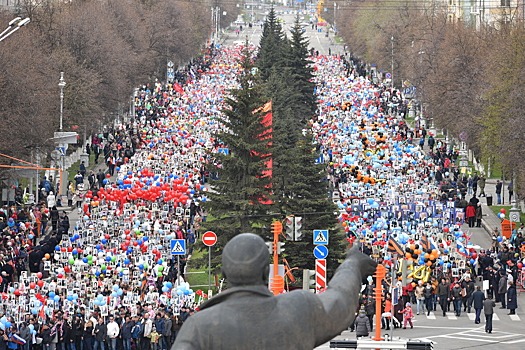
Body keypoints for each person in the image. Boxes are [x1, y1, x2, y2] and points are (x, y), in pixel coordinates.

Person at [172, 233, 376, 349]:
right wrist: (352, 265)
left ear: (225, 272)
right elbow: (339, 302)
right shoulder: (298, 309)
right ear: (266, 271)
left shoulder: (200, 326)